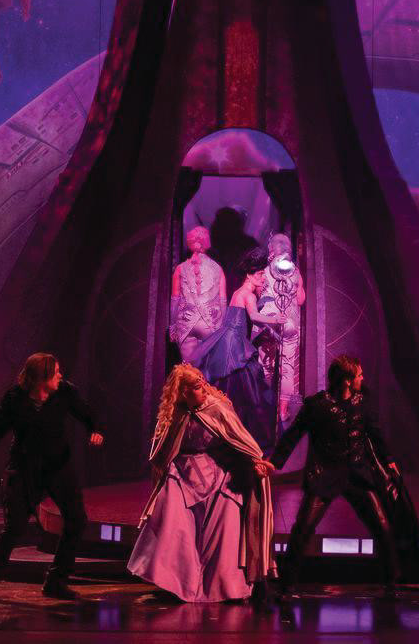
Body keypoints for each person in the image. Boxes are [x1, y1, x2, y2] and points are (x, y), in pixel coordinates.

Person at [269, 355, 419, 597]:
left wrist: (389, 460)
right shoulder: (317, 405)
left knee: (381, 525)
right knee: (303, 529)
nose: (362, 378)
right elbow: (293, 434)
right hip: (324, 475)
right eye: (359, 375)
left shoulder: (362, 402)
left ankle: (392, 582)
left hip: (357, 474)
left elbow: (375, 433)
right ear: (347, 380)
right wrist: (274, 462)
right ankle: (287, 585)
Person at [127, 363, 277, 602]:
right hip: (183, 474)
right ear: (183, 392)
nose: (204, 389)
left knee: (225, 519)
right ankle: (176, 582)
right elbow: (162, 451)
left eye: (203, 383)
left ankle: (224, 586)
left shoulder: (218, 408)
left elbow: (239, 440)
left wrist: (255, 463)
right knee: (173, 522)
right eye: (197, 387)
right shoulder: (175, 414)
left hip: (217, 473)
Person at [0, 353, 104, 600]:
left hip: (58, 466)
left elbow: (87, 413)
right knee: (15, 527)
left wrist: (94, 430)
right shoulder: (14, 400)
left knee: (76, 520)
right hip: (24, 468)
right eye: (56, 372)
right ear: (42, 379)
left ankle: (56, 581)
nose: (60, 376)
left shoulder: (64, 392)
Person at [190, 248, 284, 451]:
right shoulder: (248, 295)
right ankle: (247, 436)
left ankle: (227, 433)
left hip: (228, 339)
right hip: (234, 343)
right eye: (260, 274)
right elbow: (255, 317)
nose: (262, 278)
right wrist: (276, 320)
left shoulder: (237, 292)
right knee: (247, 387)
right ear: (249, 275)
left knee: (231, 385)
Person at [256, 233, 306, 424]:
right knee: (287, 368)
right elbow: (300, 300)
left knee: (266, 367)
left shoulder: (264, 270)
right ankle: (283, 412)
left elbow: (259, 295)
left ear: (272, 249)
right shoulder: (296, 271)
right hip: (289, 324)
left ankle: (265, 409)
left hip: (269, 322)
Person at [170, 226, 227, 362]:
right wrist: (222, 327)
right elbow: (223, 301)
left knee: (188, 369)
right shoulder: (218, 269)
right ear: (207, 243)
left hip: (186, 323)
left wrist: (172, 326)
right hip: (210, 323)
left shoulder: (180, 269)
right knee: (208, 369)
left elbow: (175, 300)